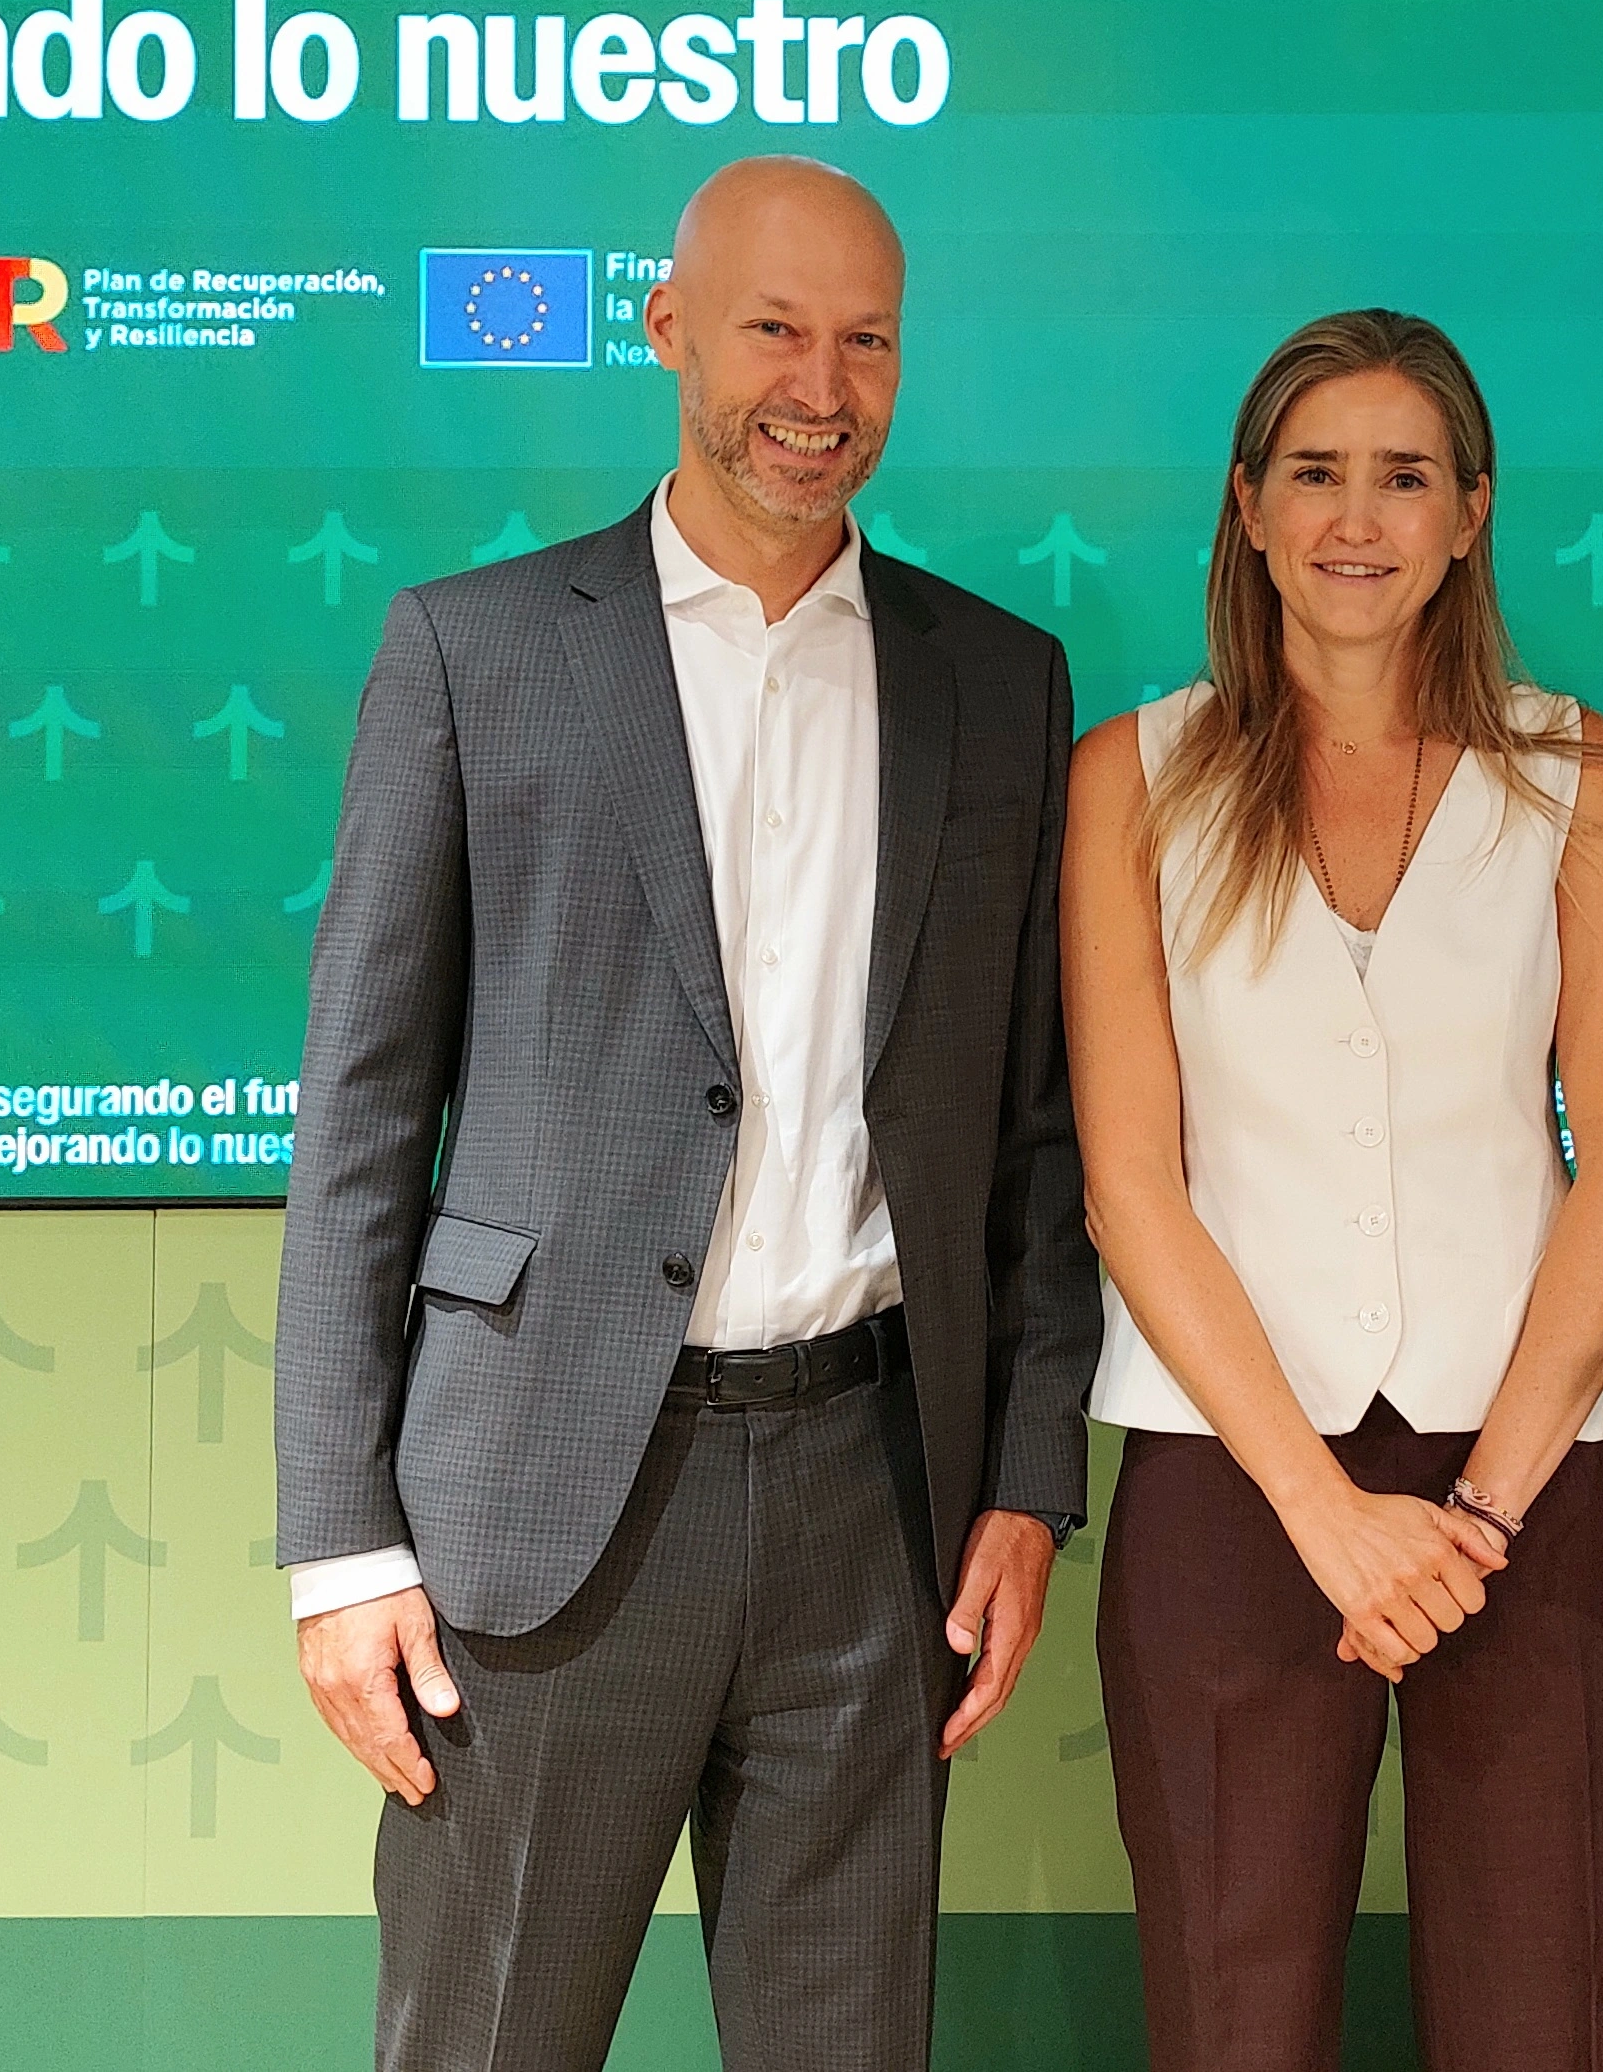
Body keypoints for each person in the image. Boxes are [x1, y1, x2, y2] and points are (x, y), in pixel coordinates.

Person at [273, 155, 1100, 2072]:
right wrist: (340, 1546)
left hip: (874, 1501)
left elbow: (1030, 1135)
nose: (823, 383)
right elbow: (365, 1121)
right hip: (541, 1504)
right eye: (776, 328)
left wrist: (1028, 1483)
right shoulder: (475, 651)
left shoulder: (998, 679)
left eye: (869, 339)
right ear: (666, 331)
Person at [1063, 309, 1603, 2072]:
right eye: (1316, 473)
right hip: (1230, 1474)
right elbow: (1131, 1183)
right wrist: (1325, 1511)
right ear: (1246, 508)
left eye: (1406, 476)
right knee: (1234, 2016)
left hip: (1541, 1481)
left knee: (1544, 2017)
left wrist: (1479, 1512)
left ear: (1472, 514)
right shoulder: (1134, 779)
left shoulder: (1576, 771)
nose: (1359, 517)